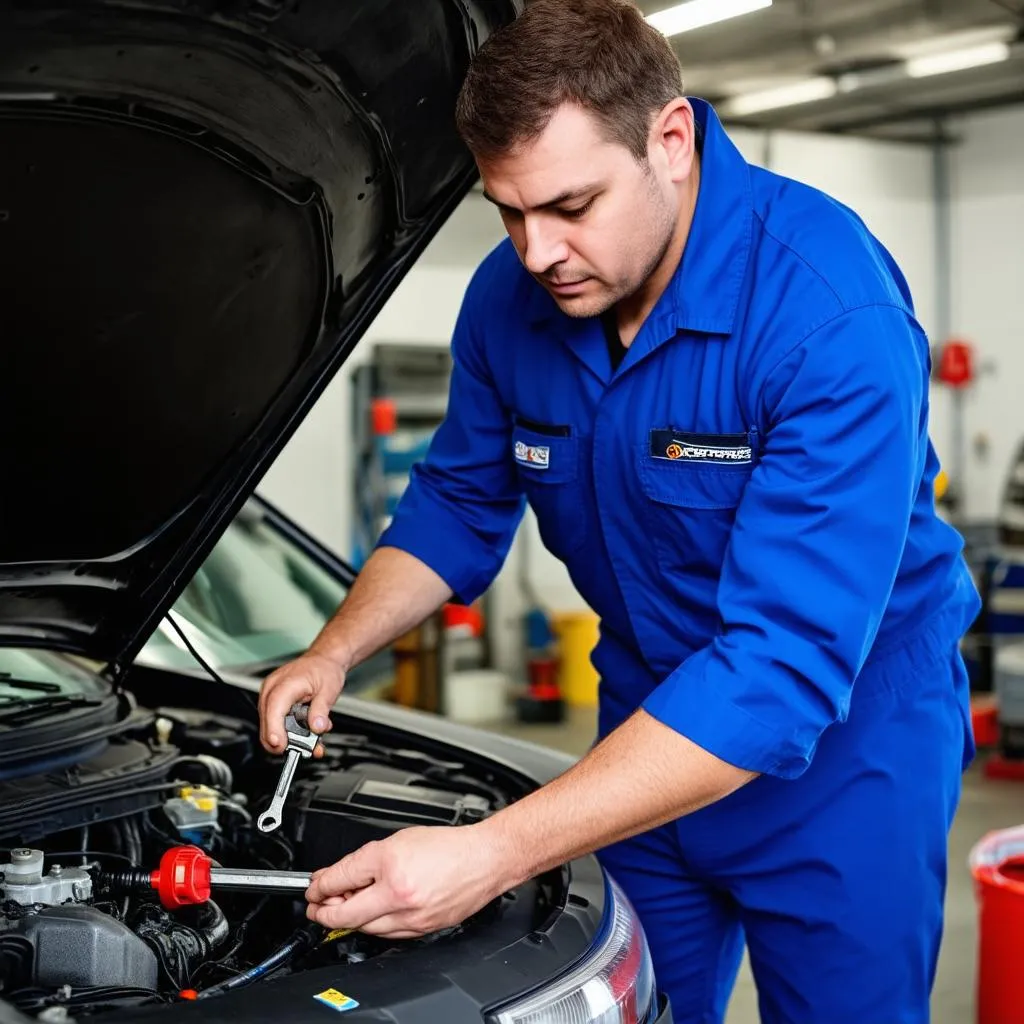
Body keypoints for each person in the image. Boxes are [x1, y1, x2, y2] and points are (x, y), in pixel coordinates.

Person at [258, 1, 980, 1019]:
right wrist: (334, 648)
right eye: (507, 212)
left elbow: (782, 664)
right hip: (640, 729)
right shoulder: (512, 303)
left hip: (848, 750)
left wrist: (494, 850)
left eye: (570, 204)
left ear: (671, 141)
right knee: (613, 1002)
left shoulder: (826, 315)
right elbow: (459, 500)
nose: (537, 250)